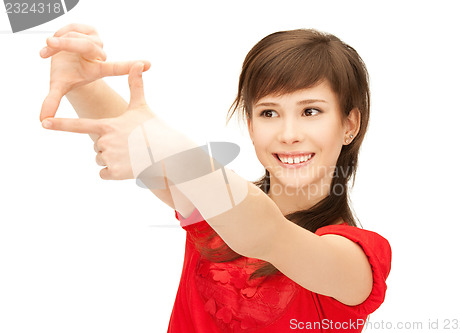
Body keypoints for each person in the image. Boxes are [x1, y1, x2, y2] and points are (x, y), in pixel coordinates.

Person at [39, 23, 391, 332]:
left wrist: (165, 144)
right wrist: (81, 82)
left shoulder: (358, 257)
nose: (288, 133)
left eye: (310, 111)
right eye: (269, 112)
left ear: (349, 124)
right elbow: (134, 137)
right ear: (251, 126)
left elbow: (265, 231)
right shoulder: (215, 200)